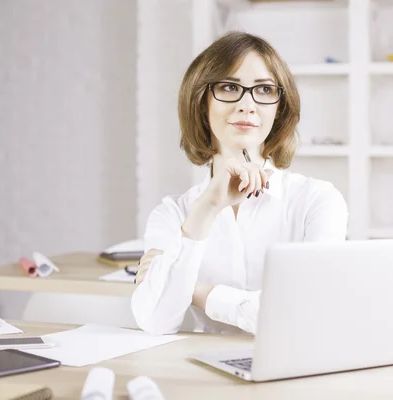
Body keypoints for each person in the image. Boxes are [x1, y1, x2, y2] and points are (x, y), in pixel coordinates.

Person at [131, 31, 348, 335]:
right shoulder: (173, 214)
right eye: (230, 87)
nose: (248, 105)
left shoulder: (318, 201)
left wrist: (194, 290)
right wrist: (206, 208)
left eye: (264, 89)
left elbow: (304, 315)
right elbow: (155, 321)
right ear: (200, 101)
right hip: (202, 375)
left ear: (279, 108)